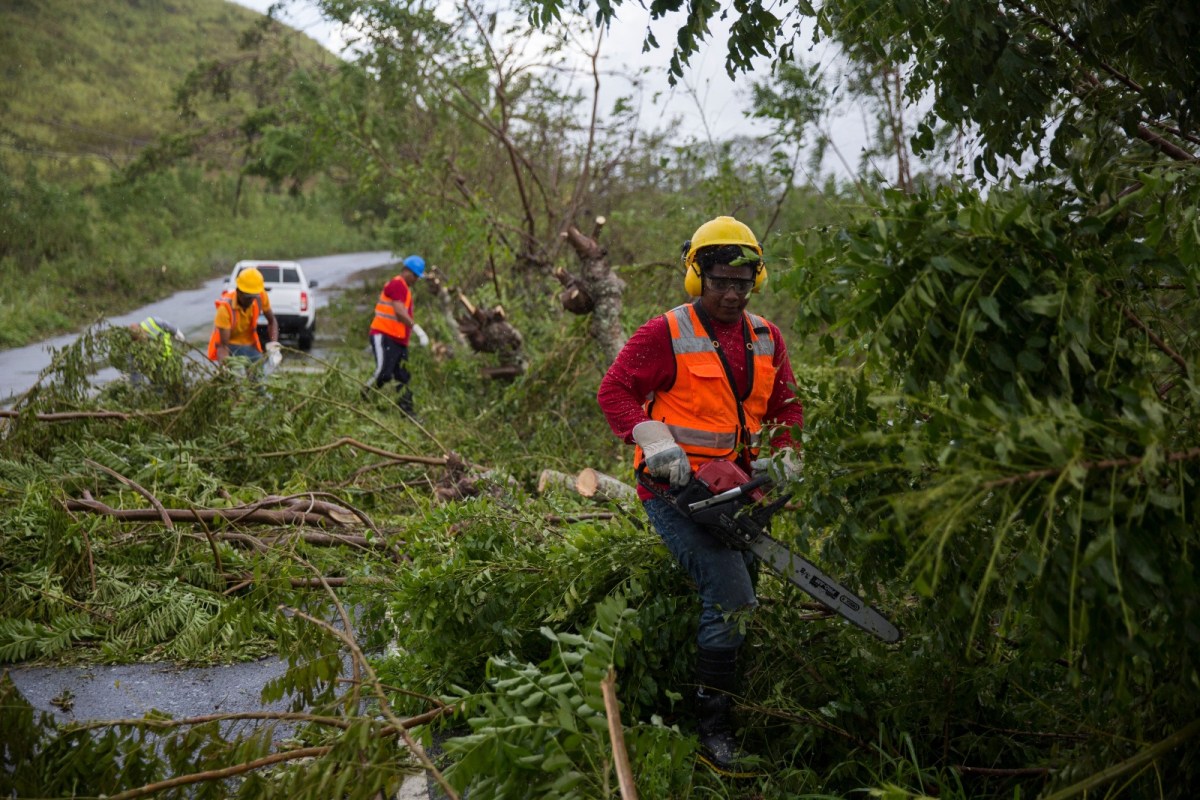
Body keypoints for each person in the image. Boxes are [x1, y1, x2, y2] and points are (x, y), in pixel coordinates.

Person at [597, 216, 804, 770]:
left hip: (742, 491)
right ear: (698, 277)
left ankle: (734, 690)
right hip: (675, 492)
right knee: (733, 597)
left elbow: (787, 407)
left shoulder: (766, 336)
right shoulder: (665, 332)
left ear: (755, 280)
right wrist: (649, 434)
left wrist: (786, 449)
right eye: (721, 281)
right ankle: (712, 729)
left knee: (745, 597)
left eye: (742, 282)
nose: (732, 293)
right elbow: (614, 391)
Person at [366, 255, 425, 414]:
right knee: (383, 372)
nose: (416, 280)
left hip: (398, 340)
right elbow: (399, 312)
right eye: (415, 276)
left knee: (403, 377)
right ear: (407, 271)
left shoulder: (404, 288)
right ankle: (364, 397)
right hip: (384, 335)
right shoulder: (397, 284)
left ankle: (407, 412)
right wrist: (417, 329)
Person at [207, 266, 280, 367]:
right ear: (238, 291)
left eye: (253, 297)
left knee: (260, 373)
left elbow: (272, 321)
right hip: (230, 347)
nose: (250, 301)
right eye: (247, 297)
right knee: (238, 374)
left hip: (250, 346)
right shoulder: (225, 309)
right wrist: (224, 367)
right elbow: (222, 346)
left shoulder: (261, 296)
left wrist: (274, 345)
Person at [123, 316, 185, 389]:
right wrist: (136, 387)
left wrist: (176, 332)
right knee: (159, 387)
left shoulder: (151, 322)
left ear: (141, 329)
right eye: (139, 339)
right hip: (156, 368)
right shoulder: (134, 348)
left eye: (142, 335)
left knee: (179, 383)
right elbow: (134, 370)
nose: (143, 339)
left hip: (171, 359)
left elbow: (165, 324)